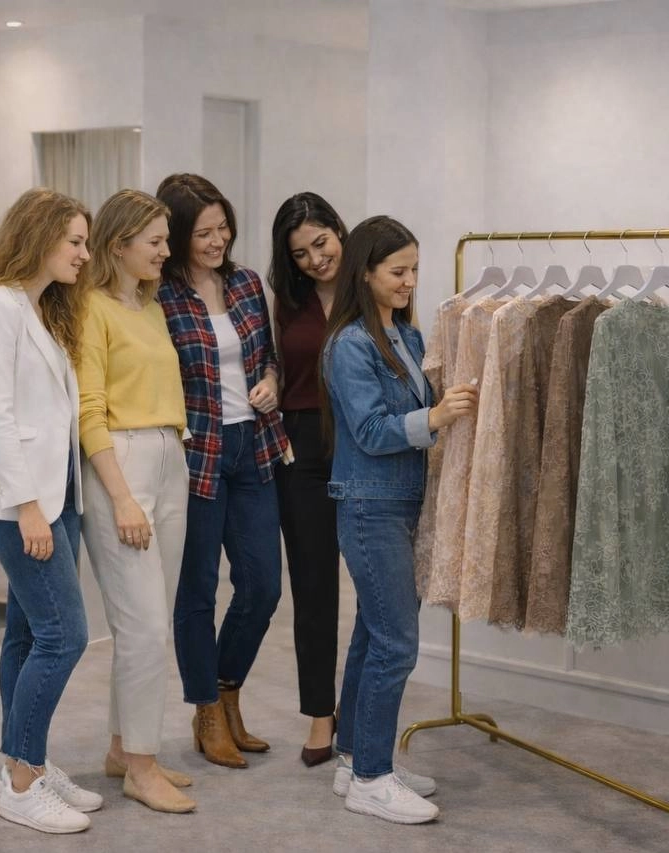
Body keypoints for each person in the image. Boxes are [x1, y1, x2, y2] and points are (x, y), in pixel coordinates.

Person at [321, 215, 477, 824]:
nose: (410, 281)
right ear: (365, 273)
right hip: (370, 506)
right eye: (398, 271)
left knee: (373, 634)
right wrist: (435, 418)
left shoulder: (407, 337)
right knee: (395, 644)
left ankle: (357, 757)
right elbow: (368, 430)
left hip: (403, 502)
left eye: (414, 269)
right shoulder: (350, 345)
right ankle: (371, 778)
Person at [0, 188, 103, 834]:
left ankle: (28, 761)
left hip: (57, 495)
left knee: (26, 635)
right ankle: (21, 783)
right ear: (39, 236)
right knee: (64, 634)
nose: (84, 253)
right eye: (74, 241)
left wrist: (53, 504)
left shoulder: (42, 309)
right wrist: (28, 509)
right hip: (21, 503)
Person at [155, 173, 288, 769]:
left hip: (254, 446)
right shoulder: (160, 296)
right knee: (198, 591)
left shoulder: (247, 283)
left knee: (263, 586)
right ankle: (207, 709)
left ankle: (228, 688)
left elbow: (270, 358)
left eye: (223, 228)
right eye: (203, 232)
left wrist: (271, 381)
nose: (217, 241)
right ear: (178, 235)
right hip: (196, 455)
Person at [75, 189, 195, 814]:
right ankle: (141, 769)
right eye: (155, 241)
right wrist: (122, 497)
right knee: (143, 627)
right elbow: (88, 411)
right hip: (120, 466)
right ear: (118, 245)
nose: (166, 251)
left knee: (151, 624)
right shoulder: (89, 308)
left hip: (170, 456)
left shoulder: (149, 308)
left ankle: (125, 749)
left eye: (166, 240)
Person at [266, 192, 349, 767]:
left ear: (339, 230)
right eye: (300, 253)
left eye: (321, 243)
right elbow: (274, 362)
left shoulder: (371, 285)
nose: (316, 260)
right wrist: (272, 380)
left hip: (365, 441)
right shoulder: (287, 301)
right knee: (313, 587)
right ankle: (322, 713)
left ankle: (364, 706)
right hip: (301, 446)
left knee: (377, 587)